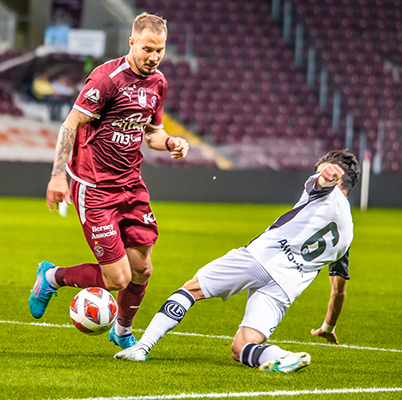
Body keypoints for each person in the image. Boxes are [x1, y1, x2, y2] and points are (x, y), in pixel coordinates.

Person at [115, 150, 360, 373]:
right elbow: (339, 291)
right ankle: (284, 356)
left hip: (261, 258)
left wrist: (326, 178)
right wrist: (327, 328)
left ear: (336, 176)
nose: (318, 171)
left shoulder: (325, 191)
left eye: (323, 168)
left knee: (192, 289)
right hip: (285, 287)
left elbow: (321, 184)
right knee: (242, 347)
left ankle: (142, 347)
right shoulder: (348, 234)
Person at [29, 12, 189, 351]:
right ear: (132, 42)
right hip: (95, 186)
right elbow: (70, 125)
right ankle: (52, 276)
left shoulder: (157, 82)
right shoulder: (107, 79)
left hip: (131, 184)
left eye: (159, 50)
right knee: (118, 278)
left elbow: (151, 132)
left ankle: (122, 330)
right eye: (147, 49)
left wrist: (171, 141)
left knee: (142, 269)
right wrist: (58, 174)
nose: (153, 57)